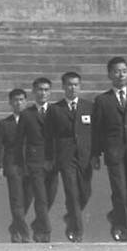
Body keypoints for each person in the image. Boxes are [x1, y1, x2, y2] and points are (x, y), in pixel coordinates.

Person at [90, 57, 127, 242]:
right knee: (119, 191)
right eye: (116, 71)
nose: (120, 75)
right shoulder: (102, 100)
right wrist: (95, 154)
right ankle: (123, 229)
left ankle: (115, 215)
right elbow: (96, 130)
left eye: (124, 71)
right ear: (109, 74)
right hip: (113, 153)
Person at [49, 71, 93, 242]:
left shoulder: (89, 107)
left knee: (85, 193)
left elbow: (94, 133)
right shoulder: (55, 109)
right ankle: (77, 231)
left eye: (75, 85)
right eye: (69, 85)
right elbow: (49, 136)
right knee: (72, 193)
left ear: (80, 87)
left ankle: (70, 218)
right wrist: (53, 158)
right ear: (63, 87)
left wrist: (94, 155)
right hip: (65, 158)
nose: (72, 88)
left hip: (85, 156)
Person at [18, 77, 54, 242]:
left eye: (46, 90)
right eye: (39, 89)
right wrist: (22, 164)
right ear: (33, 92)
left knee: (50, 196)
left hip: (53, 161)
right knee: (40, 197)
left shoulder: (56, 111)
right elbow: (20, 141)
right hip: (34, 161)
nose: (43, 93)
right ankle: (44, 231)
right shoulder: (26, 114)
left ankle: (37, 224)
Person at [0, 89, 31, 242]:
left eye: (21, 99)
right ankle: (24, 232)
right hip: (12, 165)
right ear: (10, 103)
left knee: (27, 199)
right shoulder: (4, 124)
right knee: (16, 200)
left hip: (30, 165)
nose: (18, 103)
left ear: (26, 101)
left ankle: (14, 227)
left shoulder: (33, 119)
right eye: (15, 100)